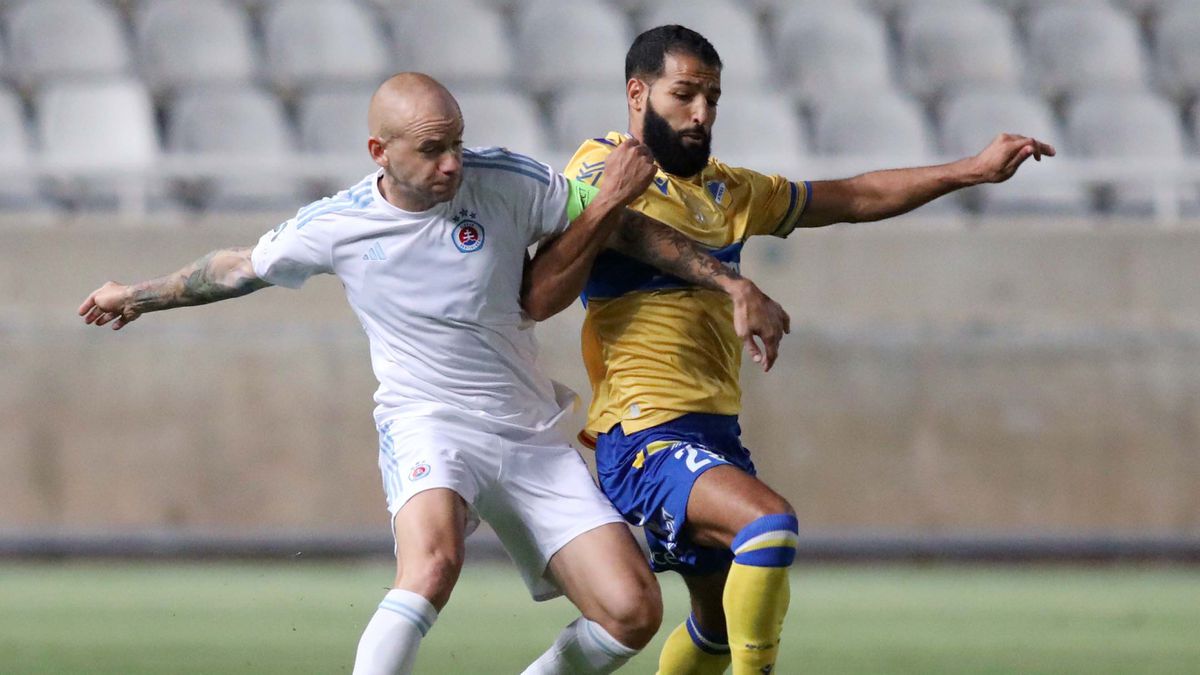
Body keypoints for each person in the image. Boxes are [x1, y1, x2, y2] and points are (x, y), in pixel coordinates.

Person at [77, 72, 790, 675]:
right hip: (429, 421)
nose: (452, 163)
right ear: (379, 153)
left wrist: (729, 284)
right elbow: (233, 268)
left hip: (530, 429)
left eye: (456, 141)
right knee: (432, 565)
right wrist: (136, 296)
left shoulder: (506, 180)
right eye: (432, 149)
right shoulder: (339, 223)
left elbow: (624, 229)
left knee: (633, 611)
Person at [545, 25, 1058, 675]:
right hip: (642, 433)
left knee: (718, 626)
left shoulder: (729, 191)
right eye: (684, 94)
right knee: (768, 524)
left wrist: (971, 170)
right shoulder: (605, 164)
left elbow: (852, 197)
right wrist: (731, 280)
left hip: (712, 433)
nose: (701, 113)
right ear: (638, 94)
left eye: (713, 98)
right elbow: (620, 227)